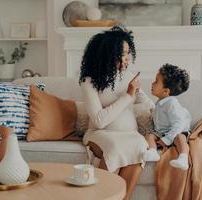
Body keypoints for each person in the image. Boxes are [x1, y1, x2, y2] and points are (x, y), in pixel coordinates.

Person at [79, 25, 154, 200]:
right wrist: (128, 95)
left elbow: (148, 105)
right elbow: (98, 121)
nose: (127, 58)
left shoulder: (129, 77)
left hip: (130, 135)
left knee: (139, 145)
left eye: (128, 53)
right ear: (107, 54)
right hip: (99, 134)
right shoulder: (89, 81)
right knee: (116, 146)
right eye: (122, 53)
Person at [141, 63, 191, 171]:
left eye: (156, 82)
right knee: (149, 136)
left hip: (176, 131)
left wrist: (168, 139)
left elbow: (179, 123)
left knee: (180, 138)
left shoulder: (171, 103)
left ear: (166, 91)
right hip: (162, 132)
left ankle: (183, 158)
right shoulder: (159, 103)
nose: (152, 83)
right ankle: (153, 151)